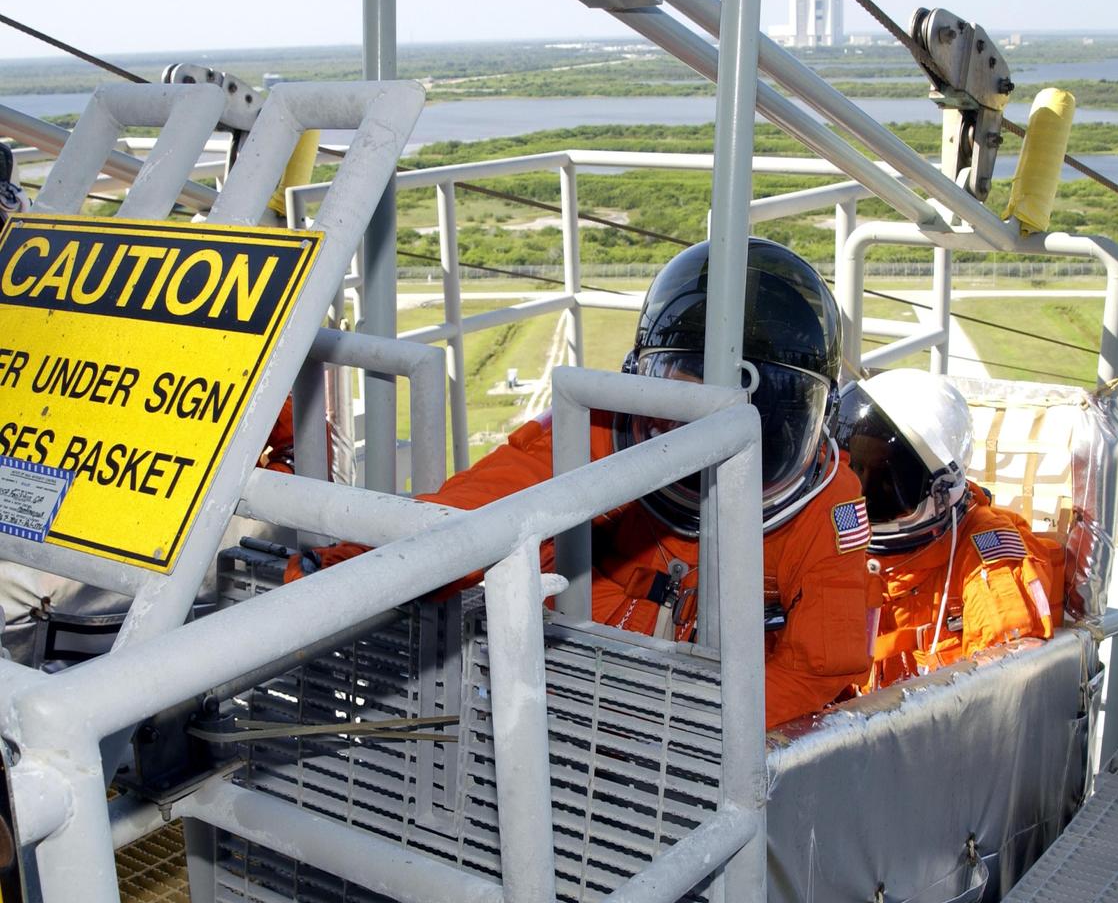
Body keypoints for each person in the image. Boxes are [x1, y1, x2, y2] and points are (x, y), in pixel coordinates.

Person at [287, 238, 877, 729]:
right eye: (683, 396)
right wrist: (330, 578)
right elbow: (461, 525)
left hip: (705, 704)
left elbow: (821, 664)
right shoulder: (584, 433)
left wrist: (686, 730)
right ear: (637, 384)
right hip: (595, 667)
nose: (709, 443)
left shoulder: (827, 503)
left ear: (813, 424)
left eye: (749, 416)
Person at [833, 369, 1060, 688]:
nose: (862, 491)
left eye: (886, 479)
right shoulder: (833, 547)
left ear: (938, 489)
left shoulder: (984, 559)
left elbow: (1005, 690)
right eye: (855, 469)